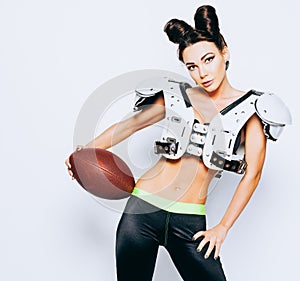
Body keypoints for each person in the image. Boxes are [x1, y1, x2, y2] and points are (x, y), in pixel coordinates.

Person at [65, 5, 290, 281]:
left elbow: (253, 174)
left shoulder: (251, 109)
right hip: (141, 212)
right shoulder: (176, 95)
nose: (202, 73)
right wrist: (83, 151)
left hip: (190, 222)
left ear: (225, 52)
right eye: (192, 66)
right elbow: (129, 125)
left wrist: (223, 227)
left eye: (208, 60)